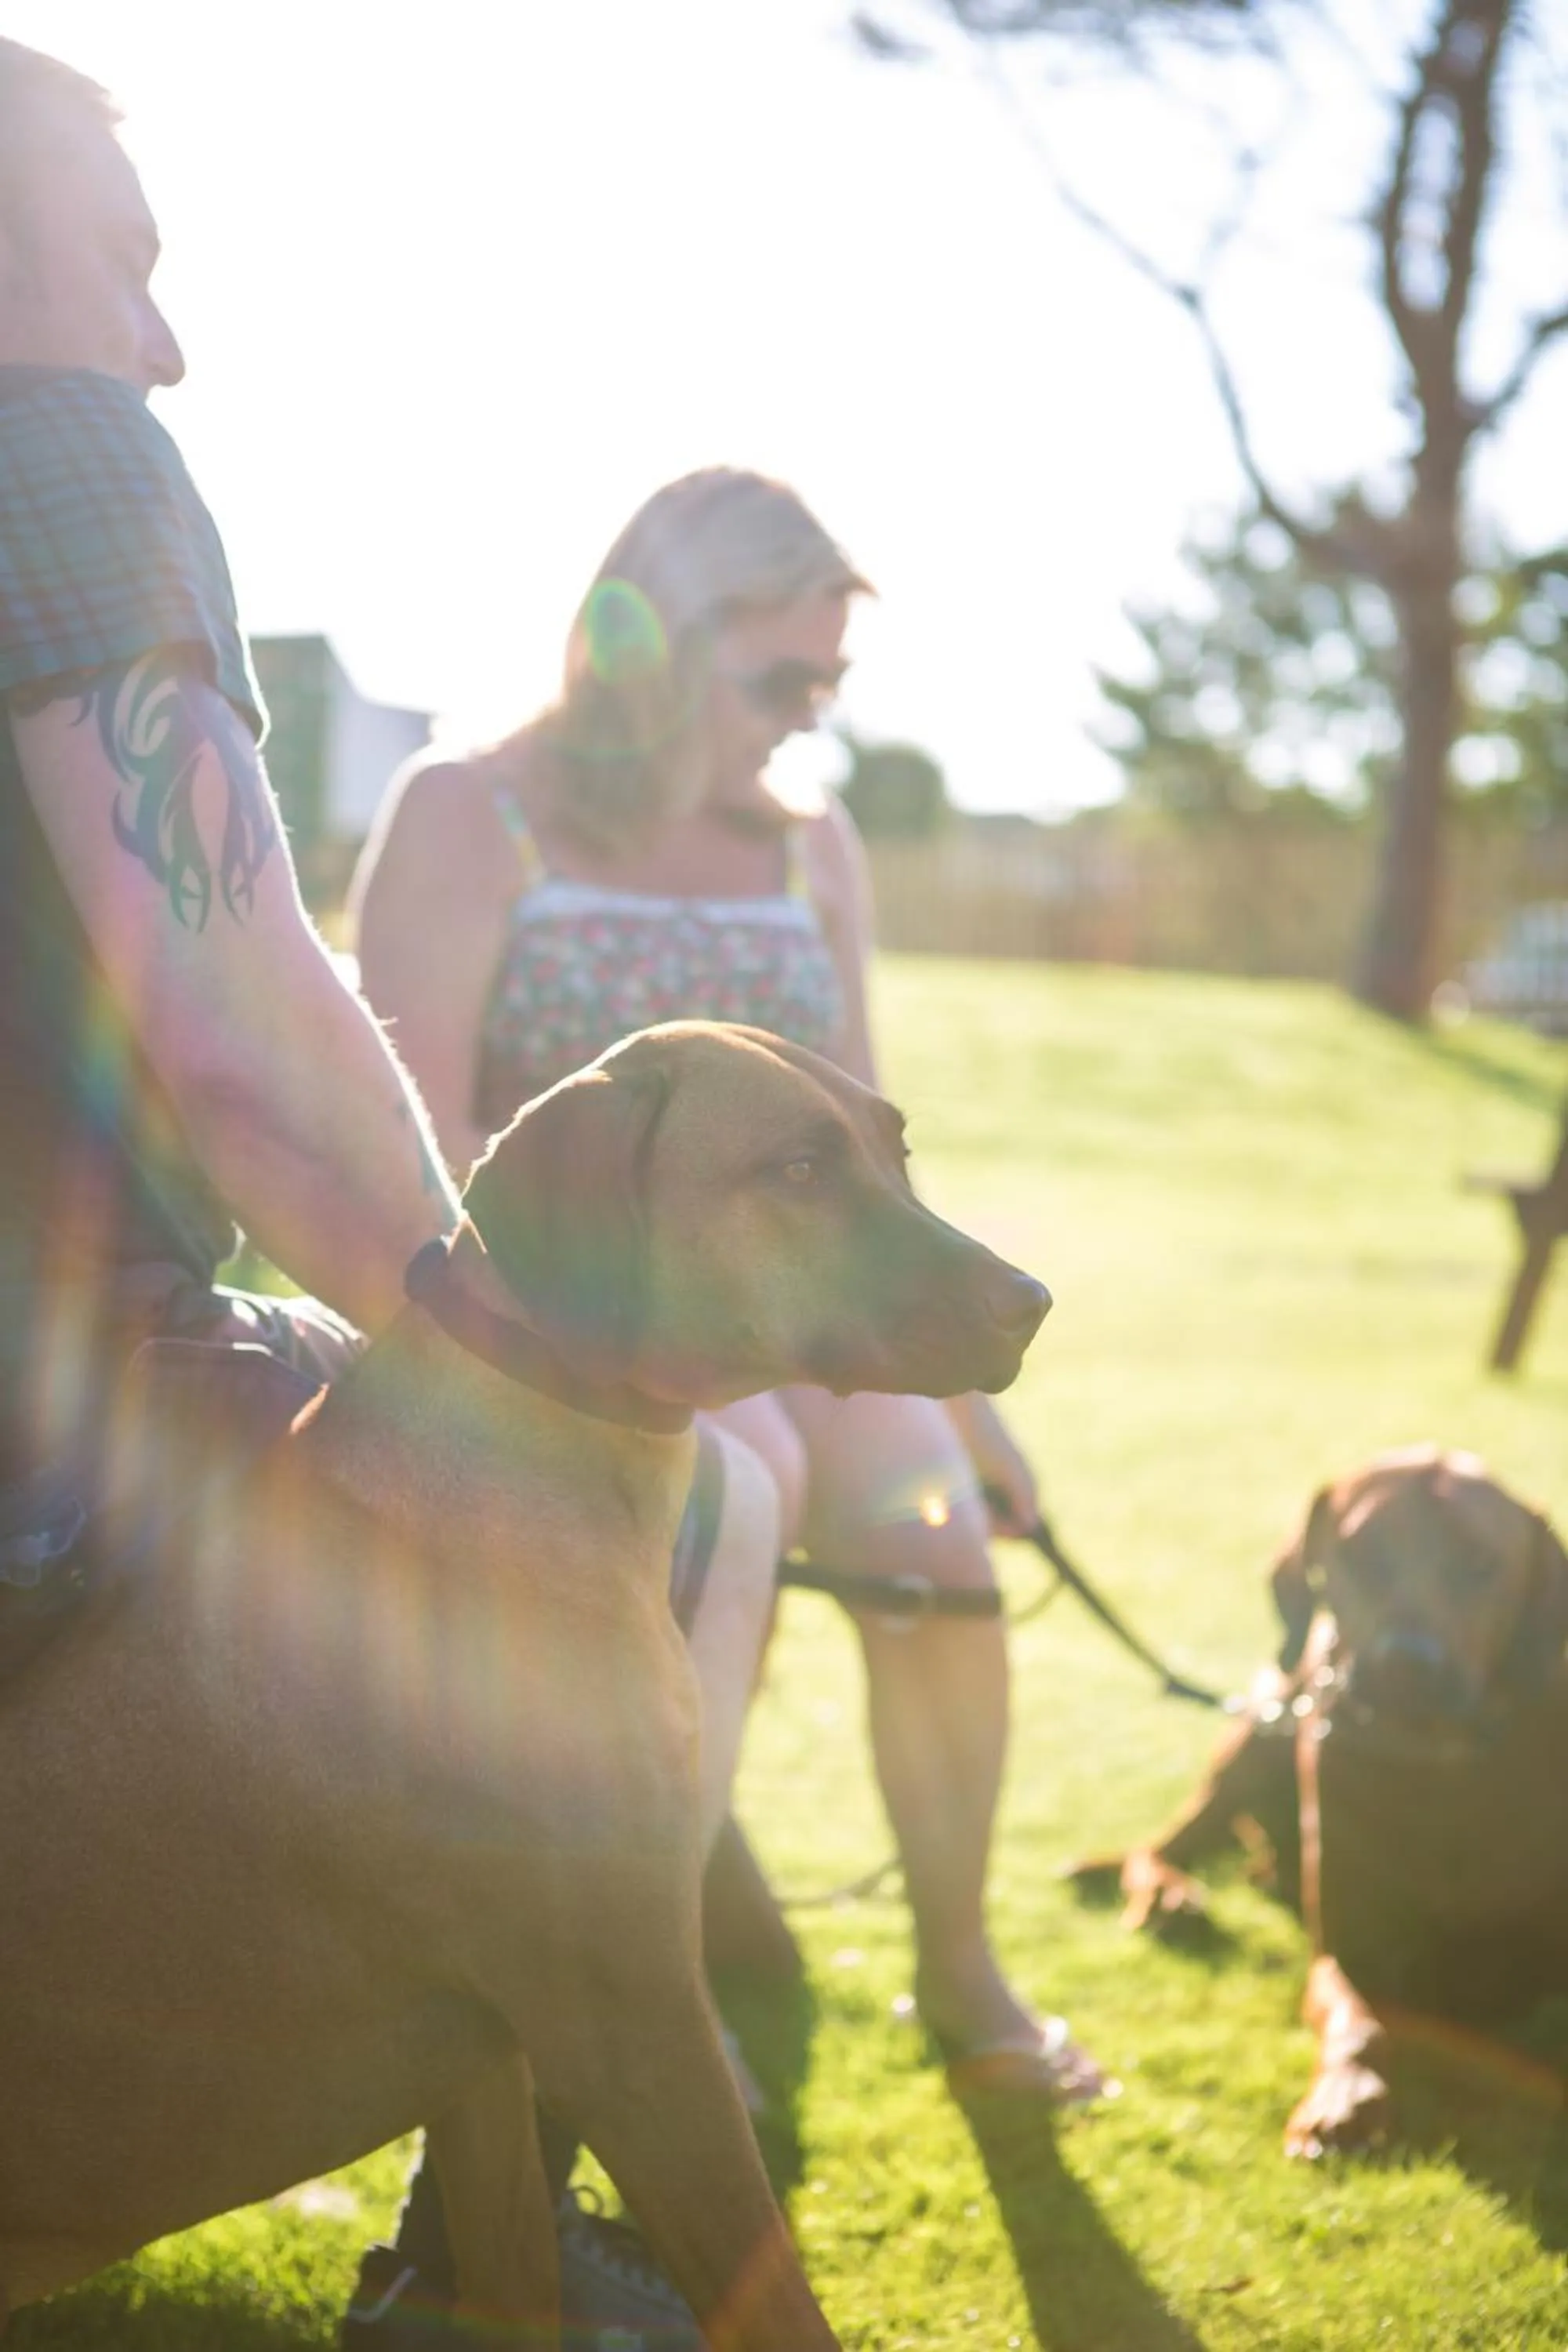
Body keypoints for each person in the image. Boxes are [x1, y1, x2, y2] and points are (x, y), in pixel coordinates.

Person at [0, 40, 771, 2351]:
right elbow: (244, 1041)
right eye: (126, 263)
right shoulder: (61, 458)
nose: (163, 344)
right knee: (703, 1492)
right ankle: (481, 2255)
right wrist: (525, 1354)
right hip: (52, 1406)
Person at [353, 466, 1107, 2100]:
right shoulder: (468, 810)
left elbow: (869, 1143)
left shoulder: (813, 841)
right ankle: (643, 1996)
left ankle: (959, 1968)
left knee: (935, 1528)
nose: (807, 717)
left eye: (829, 684)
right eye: (780, 679)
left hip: (802, 1310)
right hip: (572, 1322)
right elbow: (412, 1122)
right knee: (737, 1478)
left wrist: (965, 1401)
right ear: (663, 640)